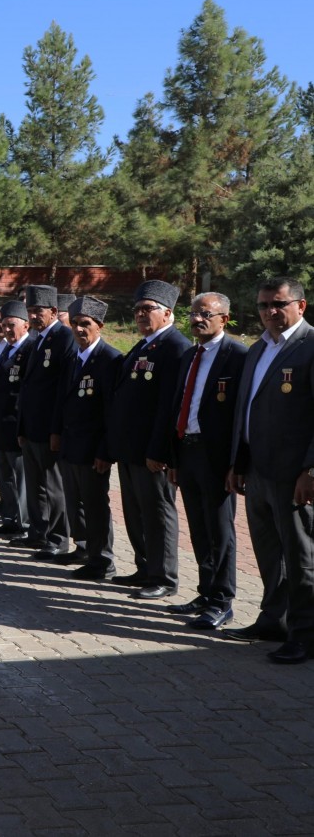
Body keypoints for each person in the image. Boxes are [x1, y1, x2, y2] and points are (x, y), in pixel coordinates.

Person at [227, 277, 314, 661]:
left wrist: (311, 471)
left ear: (301, 305)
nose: (269, 312)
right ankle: (273, 619)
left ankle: (306, 634)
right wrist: (239, 462)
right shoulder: (258, 348)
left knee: (301, 556)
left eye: (278, 304)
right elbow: (246, 410)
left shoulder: (310, 346)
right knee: (268, 552)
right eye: (263, 305)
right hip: (258, 469)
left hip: (294, 473)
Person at [158, 293, 246, 629]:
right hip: (188, 450)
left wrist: (236, 463)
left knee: (220, 531)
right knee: (198, 528)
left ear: (224, 318)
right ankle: (206, 592)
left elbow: (240, 415)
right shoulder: (189, 355)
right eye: (193, 313)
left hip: (217, 458)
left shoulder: (236, 355)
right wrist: (174, 455)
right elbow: (178, 405)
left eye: (205, 314)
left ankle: (223, 601)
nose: (197, 320)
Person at [106, 280, 189, 600]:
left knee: (158, 514)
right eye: (137, 309)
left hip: (152, 452)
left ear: (167, 313)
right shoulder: (143, 346)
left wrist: (159, 450)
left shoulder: (175, 347)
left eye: (147, 309)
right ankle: (144, 567)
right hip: (130, 449)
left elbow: (169, 407)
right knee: (135, 512)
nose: (140, 315)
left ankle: (165, 577)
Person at [51, 297, 121, 580]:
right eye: (75, 324)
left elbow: (111, 411)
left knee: (95, 505)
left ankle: (103, 560)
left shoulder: (110, 359)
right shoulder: (72, 358)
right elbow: (60, 400)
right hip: (70, 444)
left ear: (100, 326)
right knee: (75, 502)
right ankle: (83, 549)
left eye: (86, 324)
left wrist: (105, 451)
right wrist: (55, 432)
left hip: (93, 448)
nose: (79, 329)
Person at [15, 285, 76, 554]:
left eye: (37, 311)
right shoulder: (37, 339)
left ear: (53, 311)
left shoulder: (64, 338)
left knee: (53, 488)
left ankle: (58, 539)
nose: (32, 316)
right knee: (35, 485)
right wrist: (22, 427)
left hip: (48, 428)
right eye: (29, 311)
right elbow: (27, 387)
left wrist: (56, 430)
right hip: (30, 427)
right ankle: (38, 533)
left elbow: (62, 390)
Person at [0, 302, 31, 535]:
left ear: (25, 325)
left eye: (12, 325)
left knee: (20, 478)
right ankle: (10, 518)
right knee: (5, 477)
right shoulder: (6, 349)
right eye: (4, 325)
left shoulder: (30, 349)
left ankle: (24, 525)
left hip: (15, 426)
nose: (8, 330)